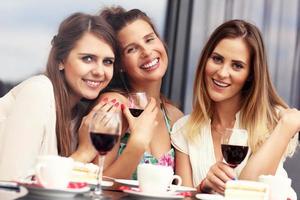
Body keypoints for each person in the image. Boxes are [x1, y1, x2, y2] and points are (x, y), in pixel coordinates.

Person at [171, 19, 299, 197]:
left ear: (250, 75)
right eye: (217, 59)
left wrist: (285, 127)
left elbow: (248, 192)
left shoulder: (275, 122)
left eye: (237, 66)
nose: (222, 73)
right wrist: (203, 187)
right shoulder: (184, 129)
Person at [0, 12, 119, 181]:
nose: (99, 71)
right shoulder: (38, 91)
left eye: (108, 61)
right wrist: (84, 152)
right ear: (60, 60)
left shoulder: (80, 116)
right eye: (88, 58)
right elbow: (12, 183)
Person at [84, 6, 184, 179]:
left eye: (149, 39)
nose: (146, 51)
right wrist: (136, 145)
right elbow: (96, 181)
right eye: (132, 49)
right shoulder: (115, 106)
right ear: (120, 64)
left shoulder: (174, 117)